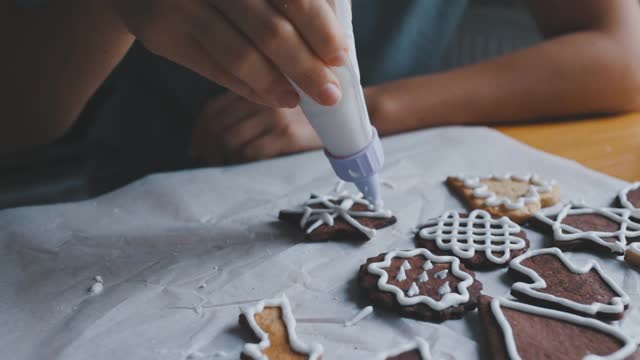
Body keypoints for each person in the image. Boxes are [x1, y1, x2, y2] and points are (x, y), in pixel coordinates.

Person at [3, 0, 640, 195]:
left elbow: (624, 51)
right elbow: (16, 124)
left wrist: (378, 109)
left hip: (396, 156)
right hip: (145, 190)